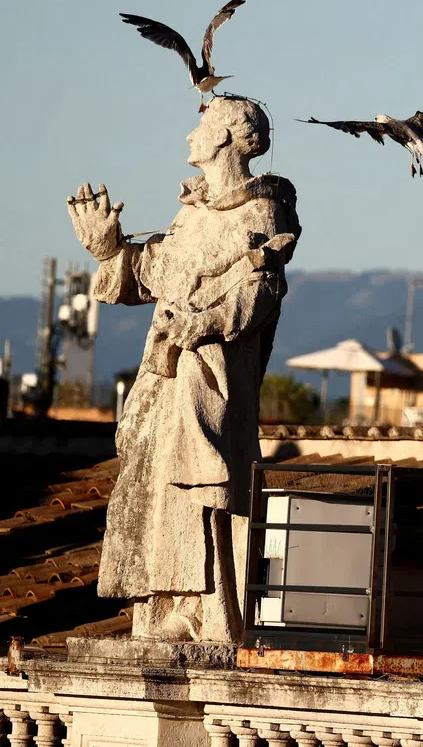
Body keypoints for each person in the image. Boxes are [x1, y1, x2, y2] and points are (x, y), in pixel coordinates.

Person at [67, 97, 300, 642]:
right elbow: (153, 274)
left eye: (201, 124)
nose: (190, 135)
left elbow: (262, 289)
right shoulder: (190, 213)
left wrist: (204, 323)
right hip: (164, 372)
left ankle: (206, 611)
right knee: (154, 481)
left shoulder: (261, 211)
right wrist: (110, 251)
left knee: (201, 483)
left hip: (209, 371)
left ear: (225, 137)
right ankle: (163, 602)